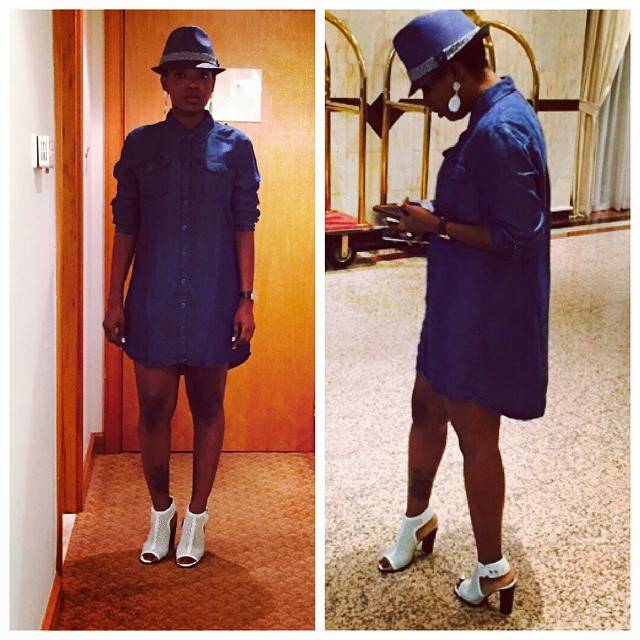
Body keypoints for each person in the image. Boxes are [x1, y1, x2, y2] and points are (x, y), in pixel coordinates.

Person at [377, 11, 550, 616]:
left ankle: (493, 569)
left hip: (482, 314)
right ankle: (417, 519)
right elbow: (487, 206)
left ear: (452, 72)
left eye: (426, 87)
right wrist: (429, 217)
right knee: (426, 405)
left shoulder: (500, 130)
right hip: (456, 305)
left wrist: (438, 225)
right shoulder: (492, 116)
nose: (427, 101)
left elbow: (518, 236)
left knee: (476, 436)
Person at [103, 25, 261, 567]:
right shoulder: (140, 144)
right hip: (153, 296)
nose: (193, 85)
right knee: (153, 407)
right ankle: (160, 511)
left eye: (203, 76)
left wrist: (246, 297)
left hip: (216, 297)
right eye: (181, 75)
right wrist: (114, 297)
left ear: (213, 83)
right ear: (165, 82)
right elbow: (126, 224)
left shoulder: (236, 148)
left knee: (208, 406)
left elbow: (245, 223)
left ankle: (196, 517)